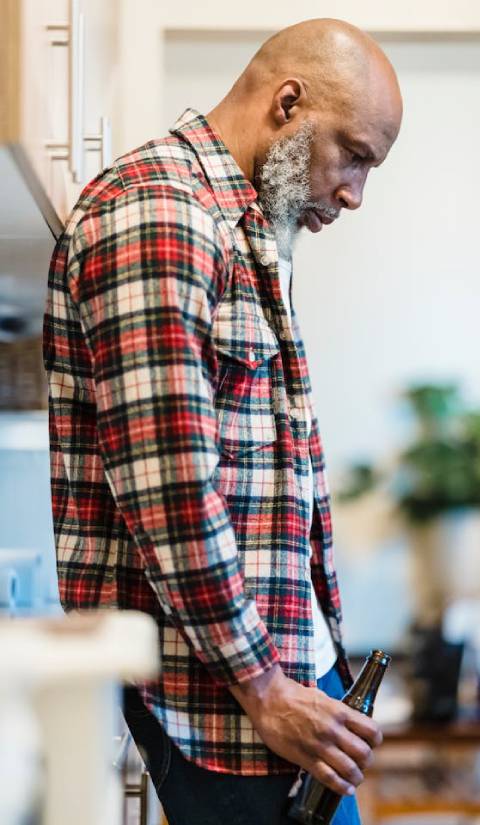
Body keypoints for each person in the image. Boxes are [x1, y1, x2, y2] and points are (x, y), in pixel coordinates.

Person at [43, 17, 402, 825]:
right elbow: (173, 489)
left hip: (278, 699)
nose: (353, 193)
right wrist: (266, 686)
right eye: (353, 154)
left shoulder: (236, 228)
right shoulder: (158, 213)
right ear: (287, 104)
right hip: (228, 713)